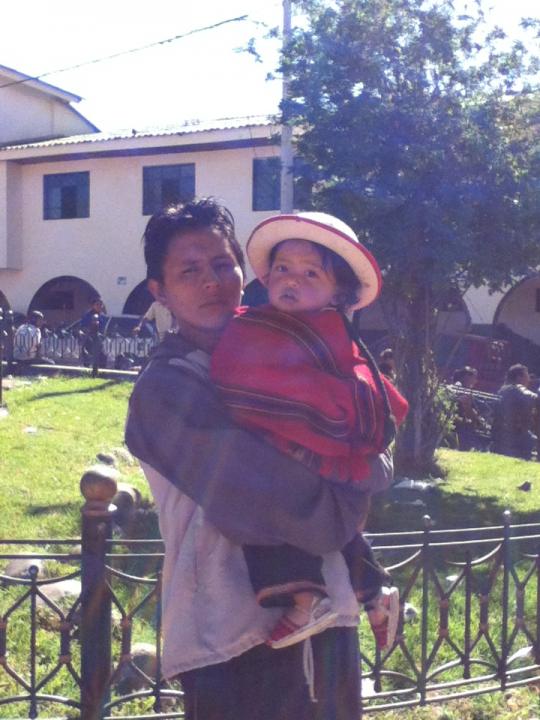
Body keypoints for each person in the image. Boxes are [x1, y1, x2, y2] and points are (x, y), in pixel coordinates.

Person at [125, 198, 395, 720]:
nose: (211, 282)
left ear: (243, 272)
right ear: (159, 291)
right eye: (189, 271)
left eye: (222, 264)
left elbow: (368, 423)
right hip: (231, 635)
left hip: (331, 617)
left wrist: (363, 462)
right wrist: (352, 489)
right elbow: (262, 495)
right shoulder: (166, 389)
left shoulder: (285, 352)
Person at [210, 212, 408, 650]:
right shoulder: (255, 326)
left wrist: (313, 431)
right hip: (295, 453)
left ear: (339, 292)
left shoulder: (336, 337)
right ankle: (375, 597)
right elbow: (240, 374)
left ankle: (305, 601)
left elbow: (365, 401)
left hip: (321, 459)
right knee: (324, 523)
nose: (291, 280)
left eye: (310, 273)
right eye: (282, 268)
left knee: (265, 511)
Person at [492, 363, 540, 460]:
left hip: (500, 433)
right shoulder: (516, 388)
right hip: (515, 435)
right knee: (532, 441)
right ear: (519, 377)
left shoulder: (503, 389)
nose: (529, 380)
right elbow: (533, 398)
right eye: (527, 376)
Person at [451, 366, 489, 451]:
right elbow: (467, 408)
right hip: (459, 426)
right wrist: (478, 421)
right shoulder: (459, 389)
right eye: (474, 377)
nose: (476, 381)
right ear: (466, 377)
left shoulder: (466, 391)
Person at [79, 297, 108, 368]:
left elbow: (104, 328)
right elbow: (82, 327)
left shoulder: (103, 316)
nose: (99, 306)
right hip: (89, 339)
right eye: (97, 304)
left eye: (101, 305)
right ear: (93, 306)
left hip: (99, 340)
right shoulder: (87, 316)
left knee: (102, 357)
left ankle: (101, 371)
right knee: (88, 357)